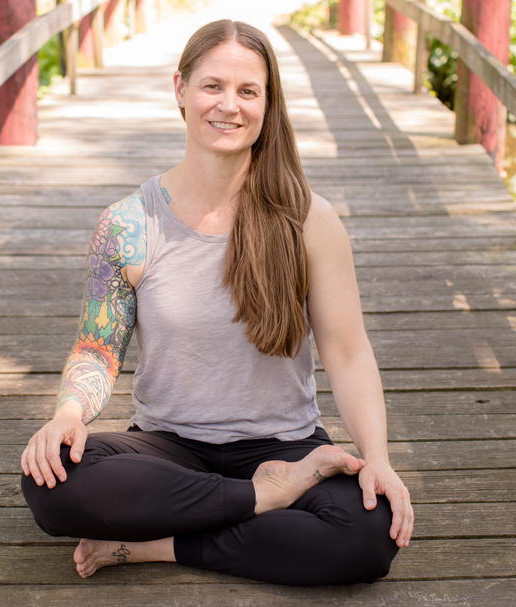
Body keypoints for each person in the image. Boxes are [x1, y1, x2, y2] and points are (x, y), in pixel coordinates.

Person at [21, 19, 413, 586]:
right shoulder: (129, 223)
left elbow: (348, 352)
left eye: (247, 91)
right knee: (49, 484)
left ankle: (157, 546)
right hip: (168, 448)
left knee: (367, 537)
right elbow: (97, 348)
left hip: (287, 446)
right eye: (212, 86)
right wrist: (67, 416)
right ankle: (258, 500)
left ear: (267, 103)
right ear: (179, 89)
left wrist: (376, 458)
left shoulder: (309, 220)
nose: (229, 105)